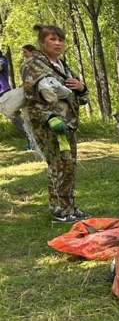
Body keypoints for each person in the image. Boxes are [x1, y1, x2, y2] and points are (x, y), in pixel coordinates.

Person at [22, 24, 89, 223]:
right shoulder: (33, 64)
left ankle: (69, 208)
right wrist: (50, 118)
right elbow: (30, 97)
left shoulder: (62, 65)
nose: (58, 43)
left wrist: (81, 87)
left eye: (60, 39)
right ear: (42, 42)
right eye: (53, 39)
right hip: (50, 124)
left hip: (66, 125)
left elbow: (82, 96)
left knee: (68, 165)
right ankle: (60, 211)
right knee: (58, 165)